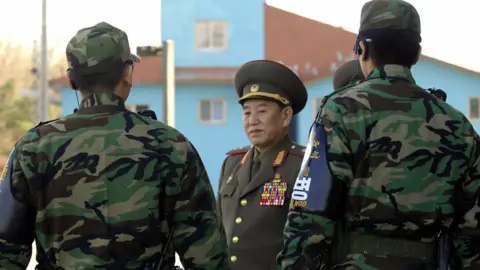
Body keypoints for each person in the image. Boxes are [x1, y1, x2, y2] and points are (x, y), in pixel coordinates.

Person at [0, 22, 229, 270]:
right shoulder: (170, 145)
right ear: (128, 74)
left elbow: (5, 248)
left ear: (70, 80)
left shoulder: (34, 147)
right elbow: (207, 255)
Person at [277, 0, 480, 269]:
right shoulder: (457, 124)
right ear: (417, 53)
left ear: (362, 49)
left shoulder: (341, 110)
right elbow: (473, 229)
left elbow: (311, 207)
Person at [217, 60, 307, 270]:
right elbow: (218, 229)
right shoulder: (232, 163)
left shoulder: (303, 165)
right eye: (247, 112)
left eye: (262, 111)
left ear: (285, 116)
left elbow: (308, 239)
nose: (252, 121)